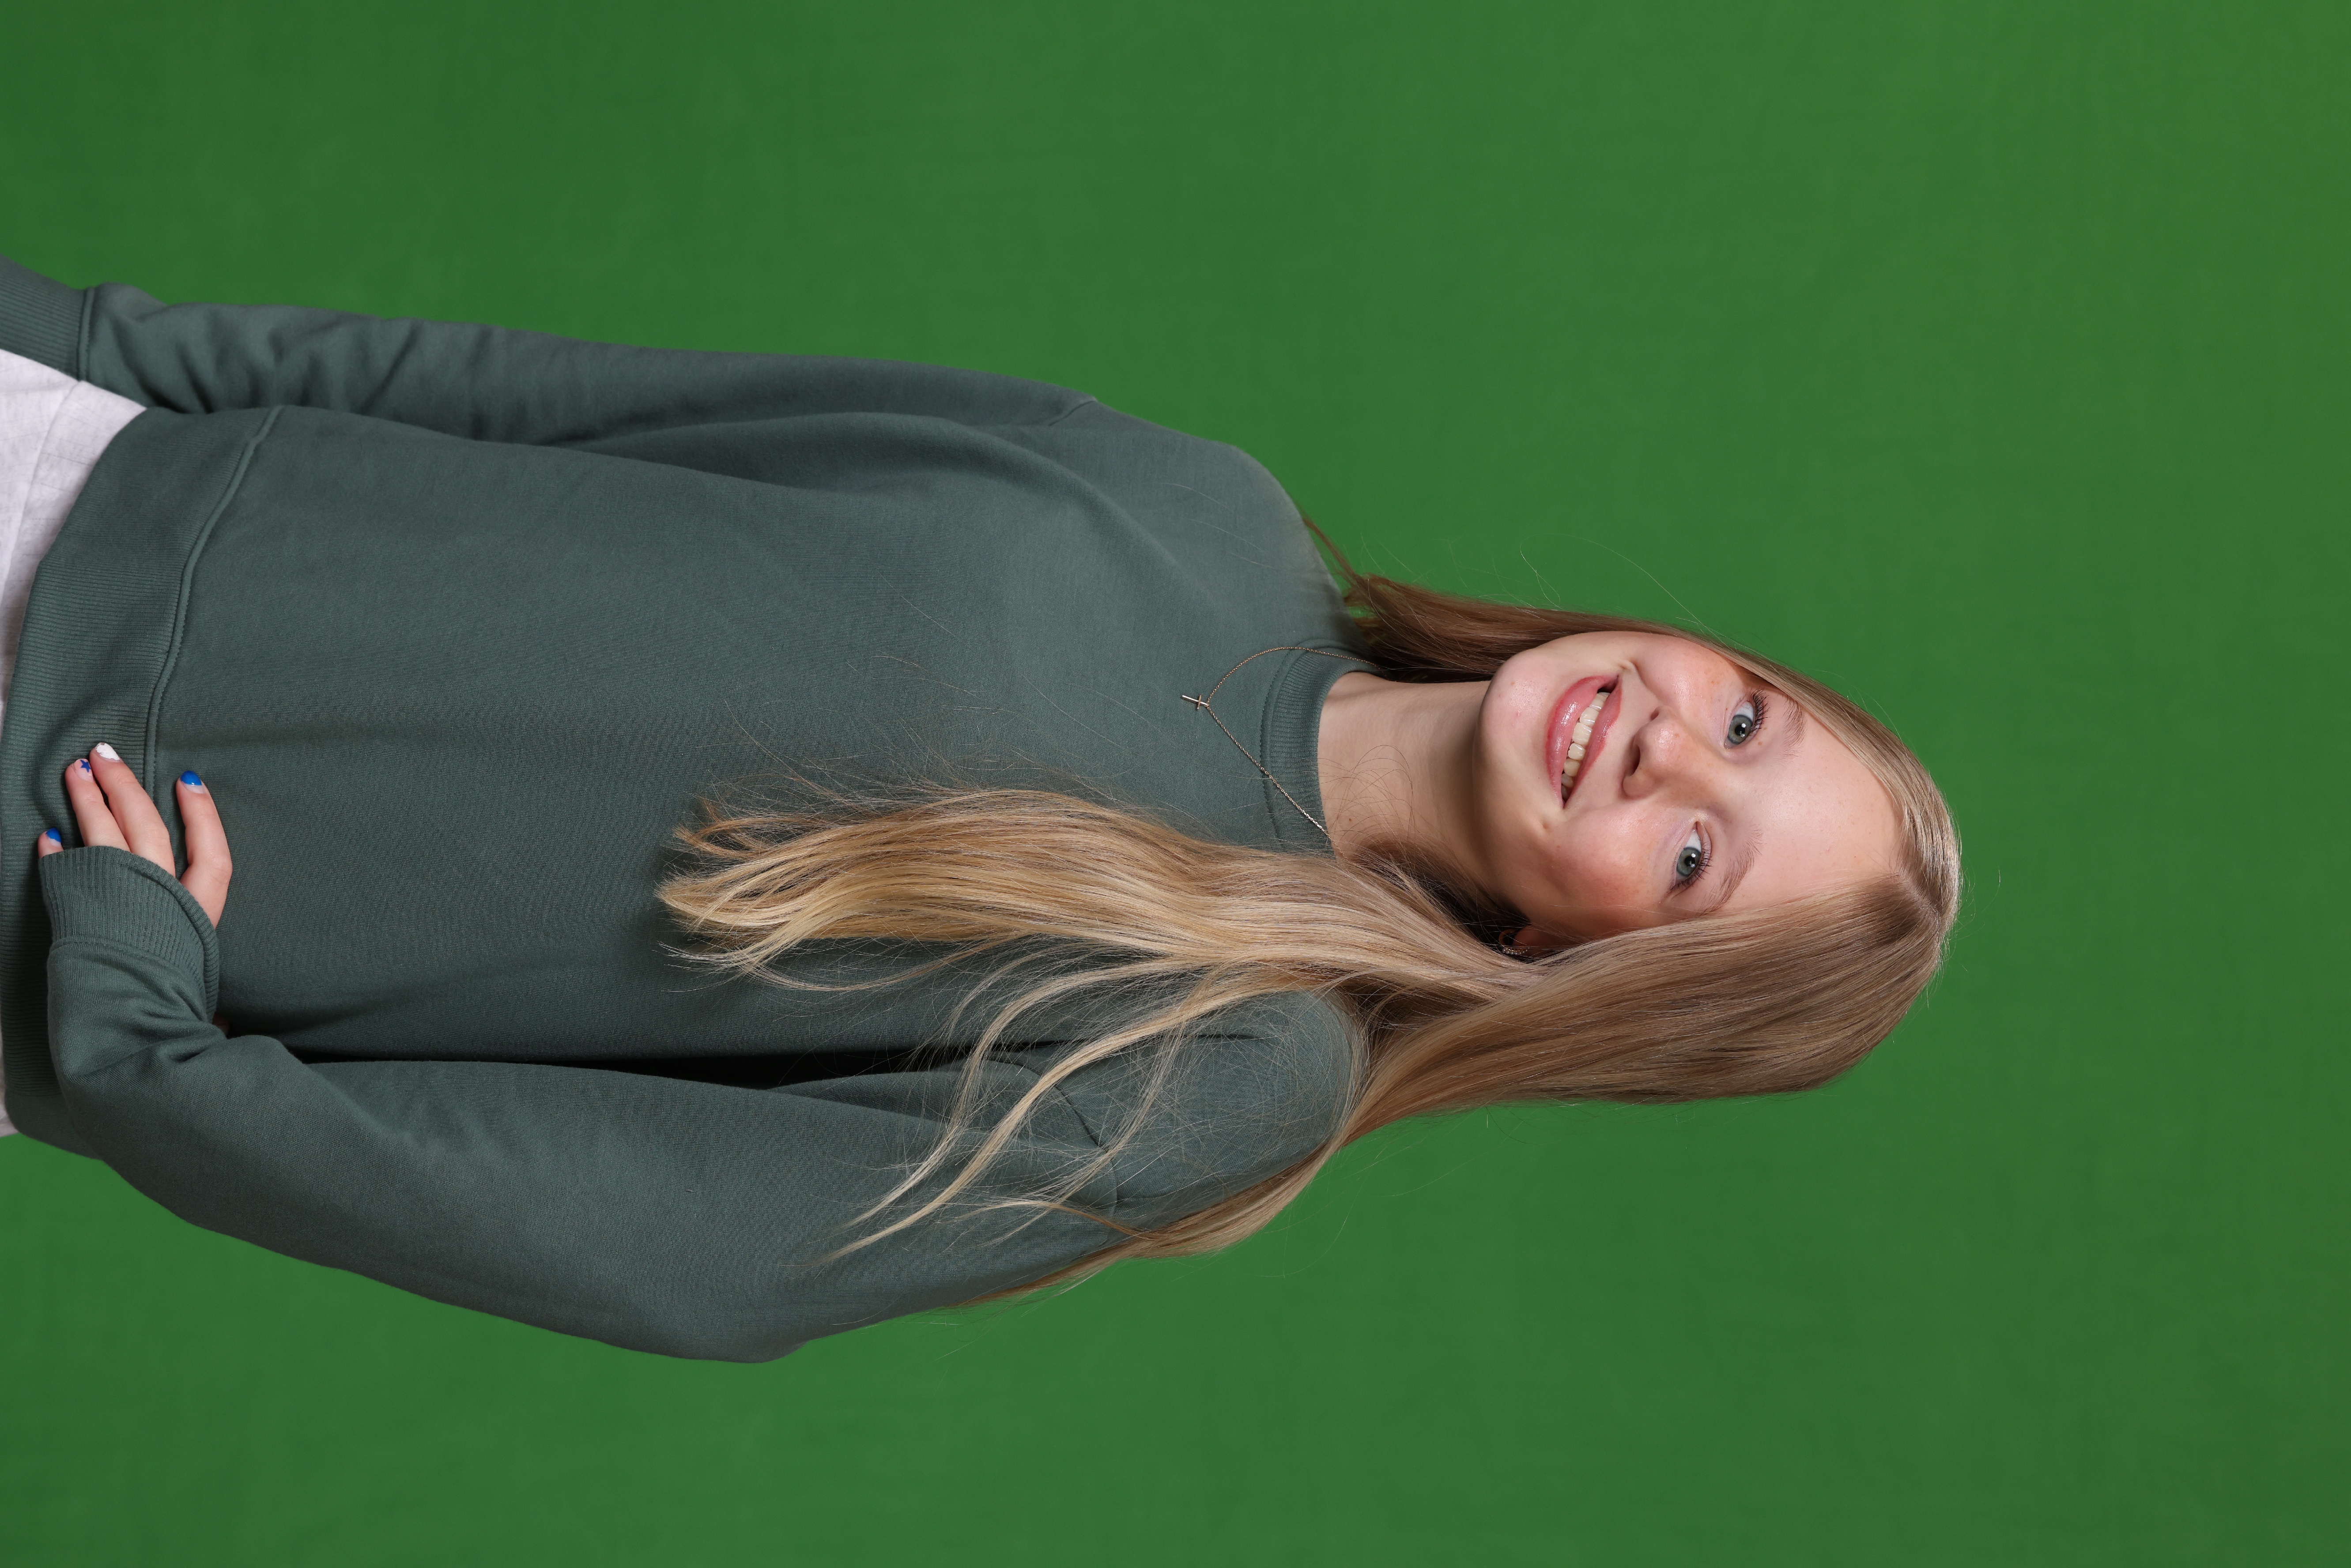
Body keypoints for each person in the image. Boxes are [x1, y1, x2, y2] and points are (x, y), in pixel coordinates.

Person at [0, 258, 1959, 1361]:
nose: (1671, 748)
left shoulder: (1236, 1065)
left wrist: (142, 1046)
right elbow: (557, 400)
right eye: (1748, 716)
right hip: (68, 462)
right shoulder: (1206, 509)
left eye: (1694, 857)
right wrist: (74, 348)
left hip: (51, 855)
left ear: (1581, 965)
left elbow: (666, 1241)